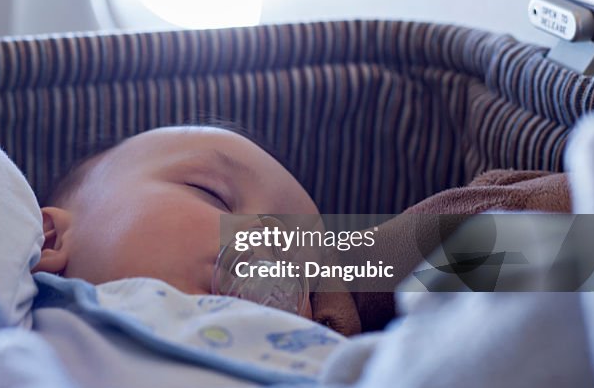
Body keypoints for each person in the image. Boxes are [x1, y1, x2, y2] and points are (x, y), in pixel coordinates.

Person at [32, 124, 364, 336]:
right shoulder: (15, 323)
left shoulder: (316, 367)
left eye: (299, 263)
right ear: (50, 238)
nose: (268, 248)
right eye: (213, 194)